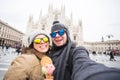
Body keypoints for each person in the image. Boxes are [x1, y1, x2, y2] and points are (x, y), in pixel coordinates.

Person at [48, 21, 120, 80]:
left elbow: (84, 64)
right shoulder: (49, 53)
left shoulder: (76, 51)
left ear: (67, 34)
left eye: (61, 32)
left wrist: (99, 75)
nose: (57, 36)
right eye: (53, 34)